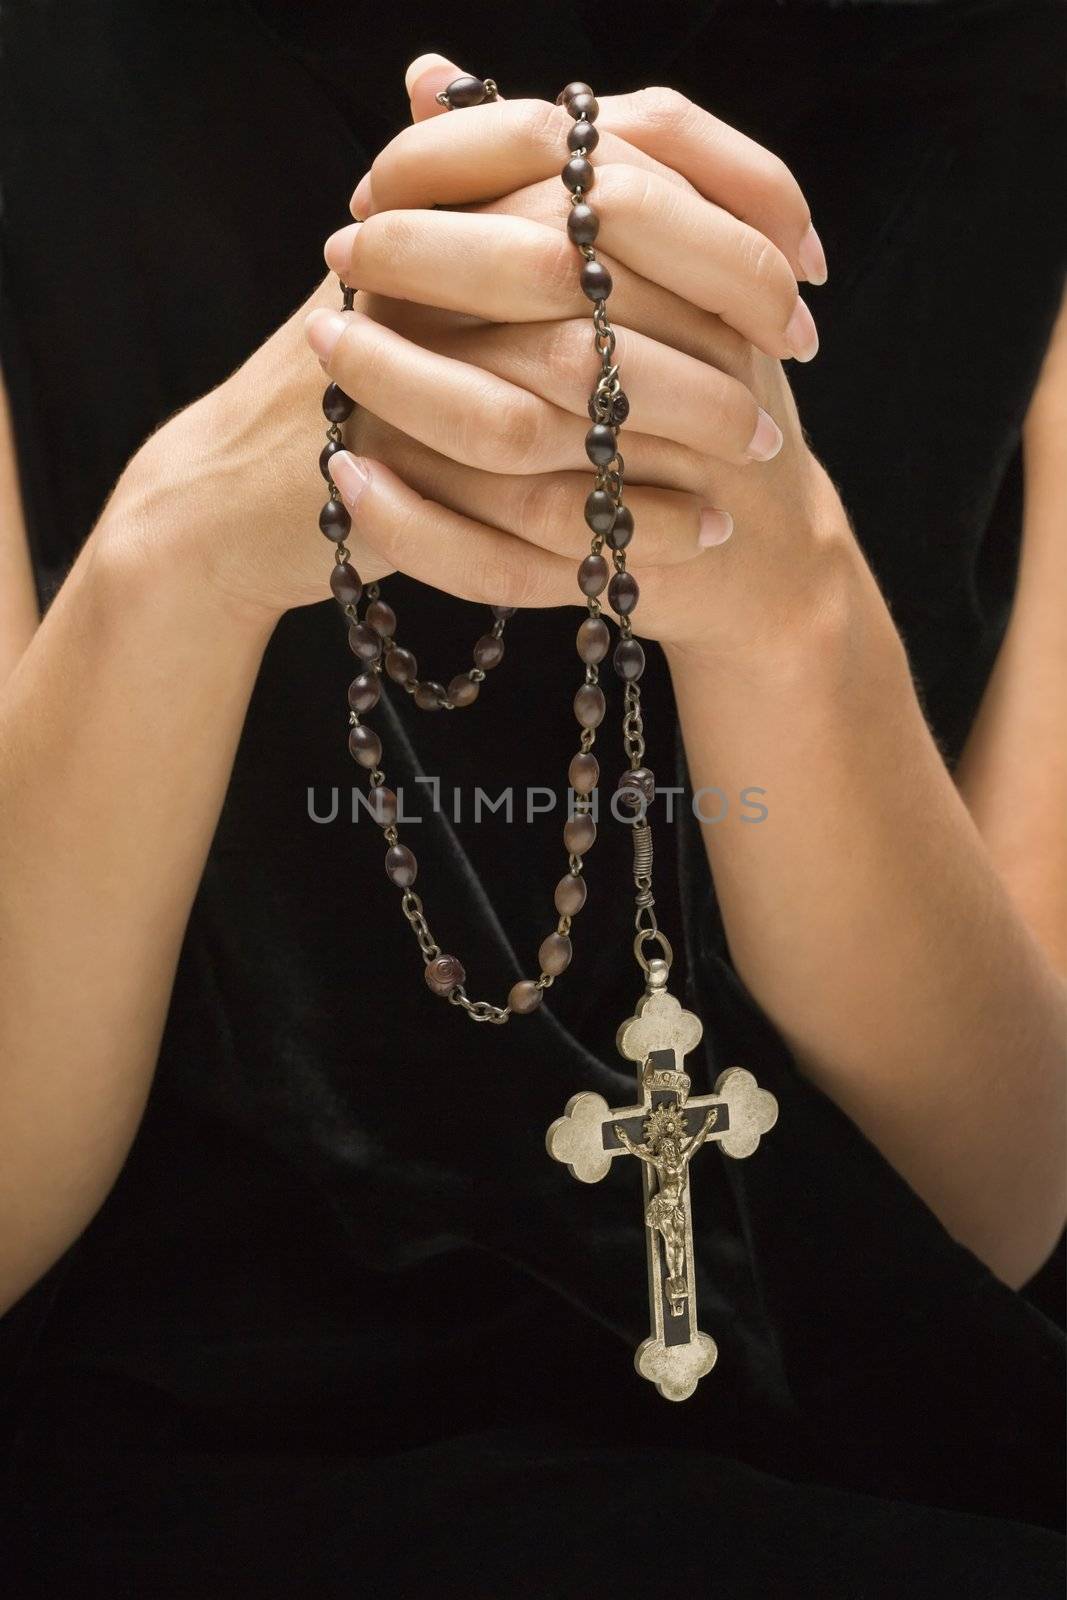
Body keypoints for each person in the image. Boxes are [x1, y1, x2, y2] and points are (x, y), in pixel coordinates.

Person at [0, 3, 1064, 1593]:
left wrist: (792, 603)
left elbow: (1012, 1194)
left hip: (873, 1457)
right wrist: (172, 554)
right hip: (134, 1465)